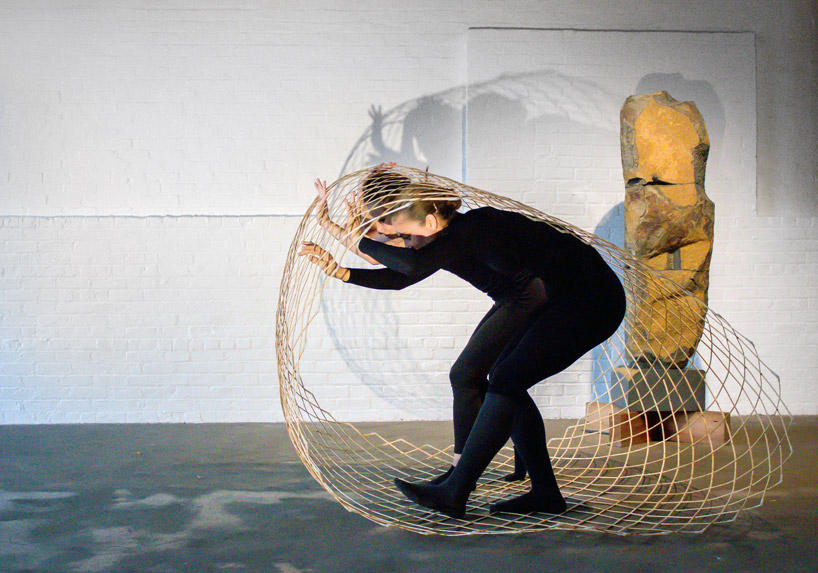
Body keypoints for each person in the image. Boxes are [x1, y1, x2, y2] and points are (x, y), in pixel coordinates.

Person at [301, 174, 626, 518]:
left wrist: (347, 235)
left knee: (505, 380)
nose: (401, 239)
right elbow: (402, 272)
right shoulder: (451, 235)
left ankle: (456, 491)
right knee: (502, 378)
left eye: (402, 231)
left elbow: (408, 265)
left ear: (429, 222)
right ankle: (539, 492)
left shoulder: (474, 229)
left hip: (592, 300)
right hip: (559, 298)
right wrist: (340, 265)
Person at [306, 168, 531, 485]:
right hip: (512, 299)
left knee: (471, 376)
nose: (382, 230)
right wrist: (336, 245)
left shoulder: (442, 232)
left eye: (380, 220)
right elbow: (392, 264)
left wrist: (340, 235)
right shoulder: (425, 229)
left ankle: (462, 473)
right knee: (495, 379)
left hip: (524, 299)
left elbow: (398, 263)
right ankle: (511, 465)